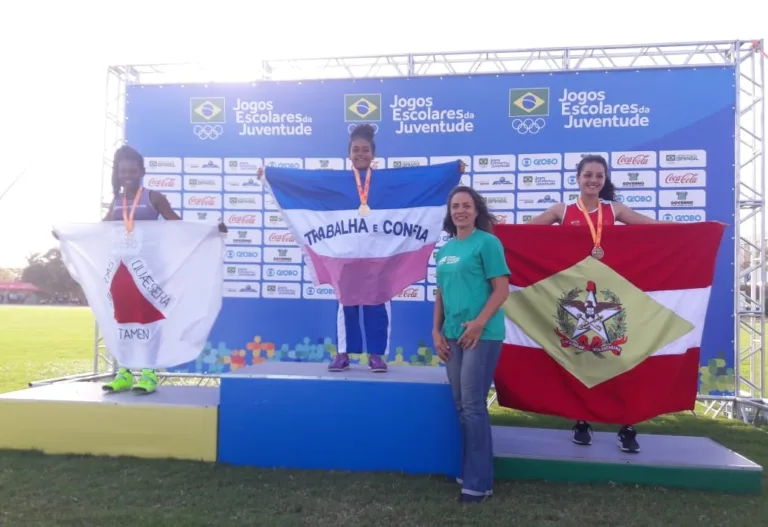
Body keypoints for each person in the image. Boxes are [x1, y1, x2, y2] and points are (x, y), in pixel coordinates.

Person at [258, 124, 465, 374]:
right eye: (355, 150)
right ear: (349, 154)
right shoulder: (336, 182)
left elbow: (420, 180)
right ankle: (343, 353)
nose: (360, 154)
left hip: (379, 256)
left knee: (378, 303)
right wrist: (271, 175)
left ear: (373, 154)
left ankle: (376, 355)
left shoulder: (387, 182)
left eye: (365, 150)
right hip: (344, 256)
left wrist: (452, 172)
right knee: (346, 304)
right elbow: (306, 183)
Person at [527, 154, 660, 453]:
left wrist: (698, 230)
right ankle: (582, 421)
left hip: (611, 299)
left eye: (599, 176)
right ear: (578, 177)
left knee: (620, 361)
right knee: (580, 361)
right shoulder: (561, 210)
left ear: (605, 179)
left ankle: (627, 426)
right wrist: (488, 230)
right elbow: (523, 235)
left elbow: (655, 229)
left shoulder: (615, 209)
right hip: (574, 298)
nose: (593, 180)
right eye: (588, 175)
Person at [98, 145, 226, 394]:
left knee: (148, 321)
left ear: (141, 171)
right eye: (123, 171)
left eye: (132, 171)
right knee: (122, 320)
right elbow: (100, 229)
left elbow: (177, 224)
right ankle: (124, 372)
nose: (127, 175)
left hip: (149, 270)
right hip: (121, 270)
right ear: (118, 173)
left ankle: (149, 372)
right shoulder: (116, 200)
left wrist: (209, 230)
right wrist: (68, 234)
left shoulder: (154, 197)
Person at [432, 186, 510, 504]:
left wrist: (478, 323)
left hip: (482, 334)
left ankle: (478, 483)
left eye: (466, 205)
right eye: (455, 206)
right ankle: (473, 471)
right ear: (450, 213)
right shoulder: (444, 249)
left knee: (474, 405)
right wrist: (436, 332)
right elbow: (441, 294)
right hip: (452, 335)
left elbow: (501, 289)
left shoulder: (488, 243)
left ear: (476, 210)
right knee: (462, 405)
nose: (460, 210)